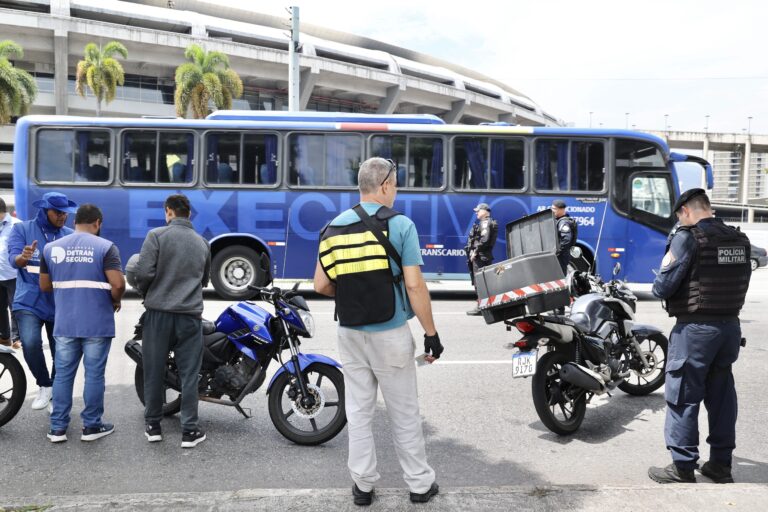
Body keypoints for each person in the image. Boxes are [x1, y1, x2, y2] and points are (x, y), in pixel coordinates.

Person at [314, 157, 443, 506]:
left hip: (350, 333)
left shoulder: (333, 229)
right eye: (396, 184)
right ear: (385, 185)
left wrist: (352, 292)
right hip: (390, 334)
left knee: (358, 411)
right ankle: (419, 485)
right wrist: (431, 332)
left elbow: (321, 285)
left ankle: (363, 487)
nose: (396, 191)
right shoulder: (400, 225)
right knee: (404, 413)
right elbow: (415, 287)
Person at [648, 188, 751, 484]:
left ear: (685, 211)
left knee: (683, 395)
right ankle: (720, 465)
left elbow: (661, 288)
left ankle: (682, 466)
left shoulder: (688, 237)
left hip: (695, 331)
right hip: (729, 327)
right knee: (721, 396)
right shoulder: (738, 239)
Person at [39, 204, 126, 443]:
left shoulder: (51, 248)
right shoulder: (106, 247)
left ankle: (57, 428)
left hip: (66, 321)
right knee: (94, 375)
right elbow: (118, 284)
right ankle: (91, 426)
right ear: (97, 223)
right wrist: (115, 301)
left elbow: (45, 286)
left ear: (76, 221)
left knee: (63, 375)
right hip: (97, 322)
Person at [133, 194, 211, 449]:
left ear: (169, 212)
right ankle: (189, 431)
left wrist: (149, 293)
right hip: (190, 316)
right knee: (190, 375)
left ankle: (153, 426)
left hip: (159, 315)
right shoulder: (202, 243)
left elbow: (143, 272)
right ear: (188, 214)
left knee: (154, 370)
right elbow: (204, 281)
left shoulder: (156, 236)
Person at [7, 192, 77, 411]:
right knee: (29, 342)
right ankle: (44, 385)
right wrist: (23, 257)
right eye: (57, 213)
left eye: (65, 213)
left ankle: (57, 391)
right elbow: (14, 259)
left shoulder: (70, 235)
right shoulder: (22, 229)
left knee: (62, 352)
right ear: (45, 210)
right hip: (29, 301)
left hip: (60, 302)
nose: (62, 217)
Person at [465, 203, 498, 316]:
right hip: (484, 255)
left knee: (479, 282)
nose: (476, 213)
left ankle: (481, 307)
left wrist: (475, 251)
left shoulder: (485, 223)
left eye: (478, 211)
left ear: (484, 211)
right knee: (483, 281)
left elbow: (484, 240)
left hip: (481, 256)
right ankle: (486, 305)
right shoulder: (488, 222)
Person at [0, 198, 22, 349]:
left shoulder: (16, 224)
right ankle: (4, 337)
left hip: (13, 274)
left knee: (15, 307)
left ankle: (17, 338)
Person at [552, 199, 578, 275]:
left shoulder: (563, 222)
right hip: (561, 255)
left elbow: (566, 239)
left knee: (560, 277)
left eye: (554, 209)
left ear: (561, 210)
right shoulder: (559, 220)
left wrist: (558, 251)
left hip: (561, 256)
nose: (552, 210)